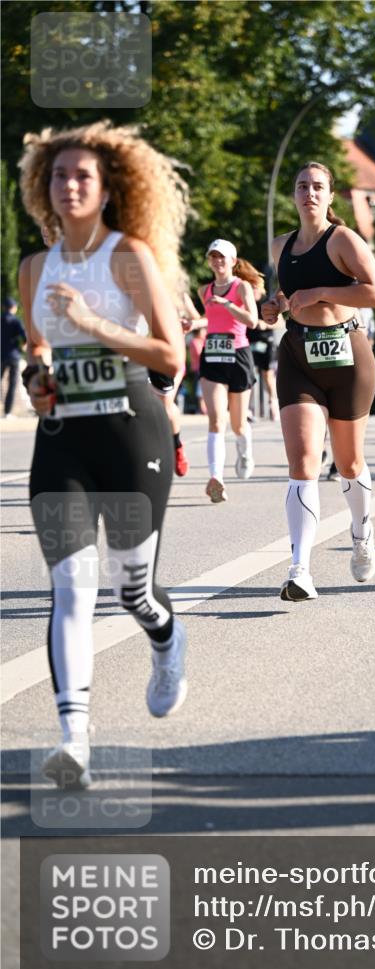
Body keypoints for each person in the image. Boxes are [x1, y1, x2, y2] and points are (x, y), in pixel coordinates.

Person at [18, 121, 189, 789]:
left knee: (132, 590)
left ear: (106, 186)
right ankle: (75, 740)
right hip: (64, 440)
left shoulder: (128, 257)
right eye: (59, 175)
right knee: (70, 589)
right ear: (45, 187)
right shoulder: (34, 267)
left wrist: (94, 326)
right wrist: (39, 381)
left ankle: (166, 641)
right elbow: (38, 349)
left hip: (130, 432)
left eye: (82, 175)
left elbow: (170, 355)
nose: (69, 185)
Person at [262, 161, 375, 600]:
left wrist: (321, 293)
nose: (309, 193)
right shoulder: (281, 246)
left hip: (348, 356)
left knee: (349, 464)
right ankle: (300, 569)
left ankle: (361, 531)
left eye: (318, 187)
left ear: (331, 196)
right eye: (302, 186)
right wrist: (274, 306)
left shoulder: (344, 240)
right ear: (293, 195)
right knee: (303, 463)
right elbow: (286, 295)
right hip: (298, 354)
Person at [197, 239, 259, 503]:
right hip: (212, 354)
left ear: (233, 261)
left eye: (222, 257)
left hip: (238, 355)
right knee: (216, 421)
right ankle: (216, 479)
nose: (218, 261)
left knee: (238, 424)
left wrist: (229, 305)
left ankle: (245, 451)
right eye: (213, 257)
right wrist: (193, 323)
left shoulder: (241, 287)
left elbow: (252, 320)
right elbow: (210, 318)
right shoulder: (204, 290)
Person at [147, 293, 199, 476]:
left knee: (165, 406)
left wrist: (187, 322)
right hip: (138, 350)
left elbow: (196, 318)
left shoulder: (175, 291)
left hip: (166, 354)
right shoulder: (131, 286)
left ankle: (177, 446)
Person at [247, 281, 280, 421]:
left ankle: (273, 403)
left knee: (268, 375)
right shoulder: (246, 301)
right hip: (250, 342)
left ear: (260, 289)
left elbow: (281, 322)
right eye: (250, 288)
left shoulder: (267, 301)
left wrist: (265, 324)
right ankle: (249, 408)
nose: (252, 291)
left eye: (254, 288)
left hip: (266, 343)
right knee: (250, 374)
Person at [1, 296, 26, 417]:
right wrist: (23, 346)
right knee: (12, 384)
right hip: (13, 356)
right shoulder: (16, 321)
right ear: (14, 308)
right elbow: (24, 337)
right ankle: (7, 412)